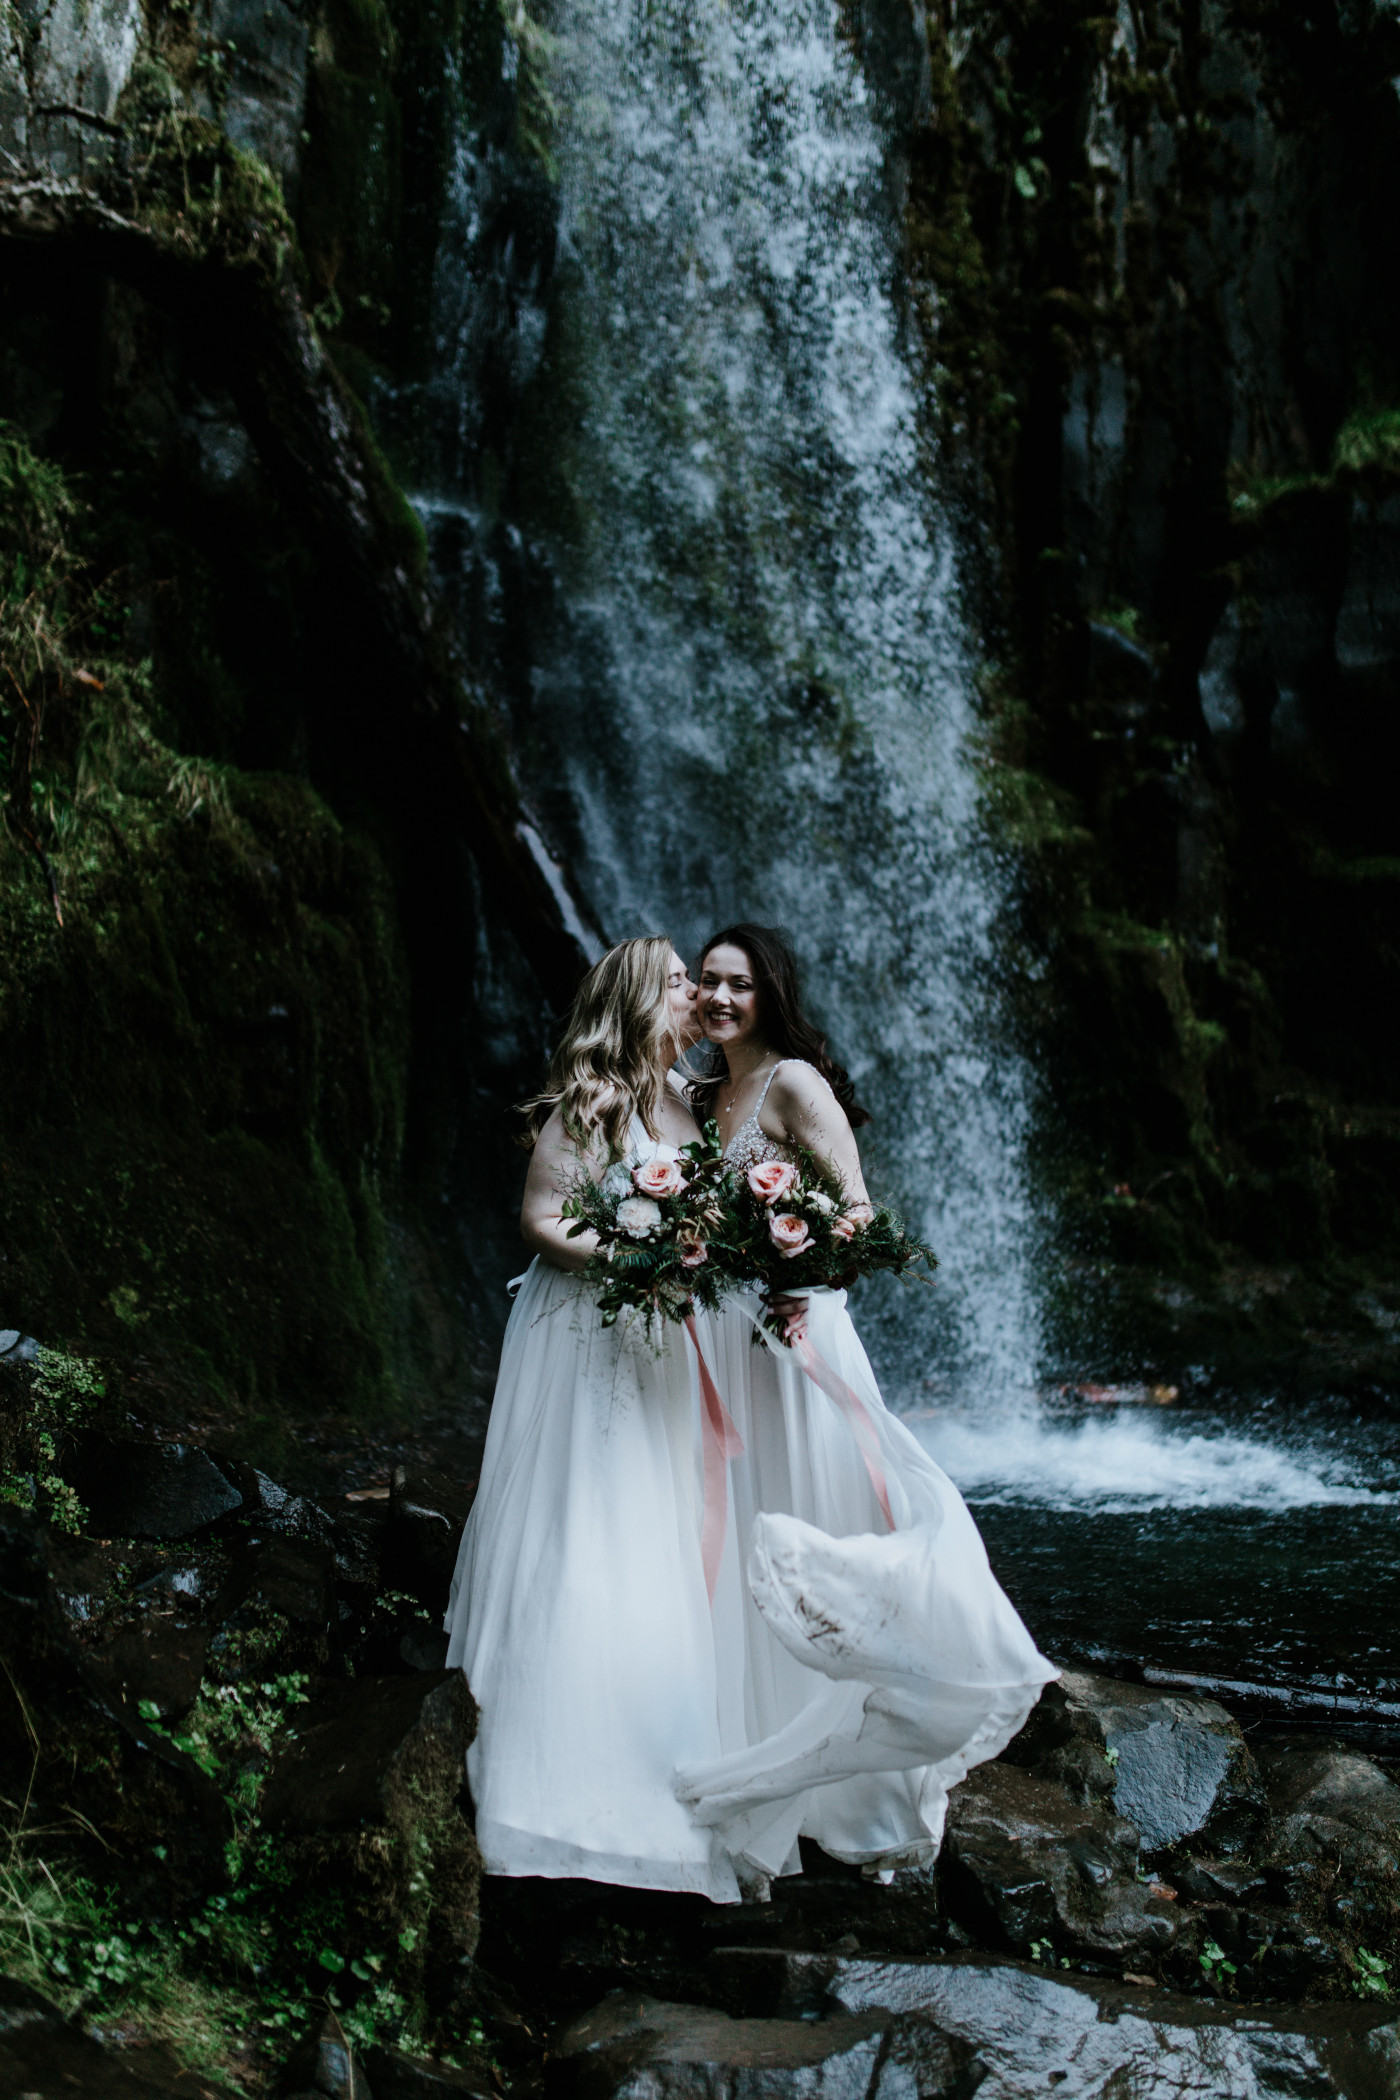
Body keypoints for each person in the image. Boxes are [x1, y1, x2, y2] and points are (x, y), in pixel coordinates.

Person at [672, 924, 1056, 1894]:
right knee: (743, 1551)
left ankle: (867, 1793)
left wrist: (788, 1251)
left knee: (826, 1515)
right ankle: (759, 1770)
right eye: (707, 984)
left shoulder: (793, 1085)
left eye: (737, 986)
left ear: (768, 995)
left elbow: (857, 1211)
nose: (719, 1000)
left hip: (798, 1337)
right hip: (724, 1345)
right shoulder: (696, 1097)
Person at [444, 936, 742, 1895]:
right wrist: (634, 1264)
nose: (696, 992)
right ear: (635, 999)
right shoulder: (596, 1096)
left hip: (659, 1342)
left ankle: (658, 1762)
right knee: (584, 1524)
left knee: (656, 1537)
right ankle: (550, 1787)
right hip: (589, 1334)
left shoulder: (689, 1103)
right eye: (679, 982)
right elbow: (540, 1220)